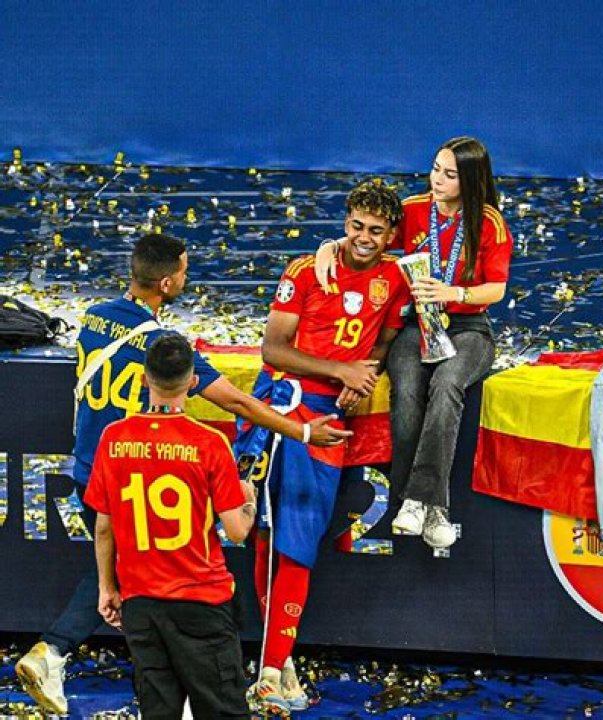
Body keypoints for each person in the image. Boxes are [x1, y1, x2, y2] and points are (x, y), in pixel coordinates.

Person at [15, 232, 348, 715]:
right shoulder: (163, 349)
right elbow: (236, 403)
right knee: (145, 579)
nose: (187, 278)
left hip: (94, 465)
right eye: (185, 272)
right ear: (168, 282)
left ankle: (63, 653)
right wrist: (302, 432)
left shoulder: (93, 317)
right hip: (142, 469)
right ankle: (55, 651)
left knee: (115, 570)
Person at [234, 179, 410, 716]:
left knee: (300, 538)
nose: (363, 237)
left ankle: (276, 660)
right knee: (271, 533)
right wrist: (340, 370)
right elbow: (273, 349)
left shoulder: (394, 279)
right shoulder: (307, 270)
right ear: (345, 222)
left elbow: (384, 339)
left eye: (375, 230)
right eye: (355, 226)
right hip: (284, 411)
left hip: (331, 421)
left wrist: (365, 374)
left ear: (391, 235)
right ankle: (271, 669)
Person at [315, 137, 513, 550]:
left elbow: (496, 289)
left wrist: (453, 293)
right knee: (406, 389)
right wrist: (329, 247)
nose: (437, 179)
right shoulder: (414, 209)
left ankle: (423, 502)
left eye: (449, 174)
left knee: (447, 384)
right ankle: (424, 506)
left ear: (470, 180)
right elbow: (369, 237)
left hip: (468, 328)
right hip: (416, 325)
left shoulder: (489, 222)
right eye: (436, 169)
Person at [84, 333, 255, 719]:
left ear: (145, 378)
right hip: (201, 602)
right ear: (193, 382)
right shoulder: (209, 443)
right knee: (223, 710)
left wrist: (107, 587)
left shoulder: (113, 438)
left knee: (158, 710)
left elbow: (104, 528)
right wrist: (248, 500)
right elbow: (237, 531)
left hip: (141, 604)